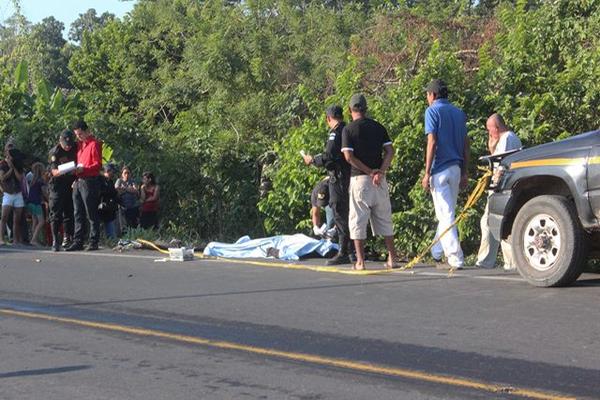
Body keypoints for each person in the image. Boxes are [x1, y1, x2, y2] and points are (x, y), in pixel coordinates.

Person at [341, 94, 399, 270]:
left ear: (350, 110)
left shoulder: (348, 130)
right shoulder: (378, 127)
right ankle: (392, 258)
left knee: (358, 220)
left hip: (360, 179)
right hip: (379, 180)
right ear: (366, 109)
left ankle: (360, 261)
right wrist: (380, 171)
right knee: (385, 218)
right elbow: (390, 151)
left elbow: (348, 156)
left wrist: (369, 171)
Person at [421, 79, 470, 269]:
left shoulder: (432, 111)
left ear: (433, 95)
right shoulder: (458, 113)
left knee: (446, 214)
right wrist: (465, 171)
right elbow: (466, 144)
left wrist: (426, 173)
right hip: (456, 169)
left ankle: (455, 257)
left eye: (427, 95)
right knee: (446, 212)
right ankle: (437, 251)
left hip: (439, 169)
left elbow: (432, 141)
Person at [304, 105, 353, 265]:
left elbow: (329, 155)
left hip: (339, 178)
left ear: (328, 119)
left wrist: (313, 160)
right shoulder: (349, 129)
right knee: (352, 213)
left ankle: (343, 251)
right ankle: (353, 251)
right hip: (353, 176)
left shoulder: (336, 132)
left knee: (339, 212)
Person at [476, 113, 522, 270]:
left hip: (501, 187)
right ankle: (509, 262)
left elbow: (501, 162)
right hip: (508, 186)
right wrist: (491, 147)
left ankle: (487, 260)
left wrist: (494, 183)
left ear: (496, 128)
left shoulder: (507, 138)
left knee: (491, 222)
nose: (489, 134)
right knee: (500, 223)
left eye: (490, 130)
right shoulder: (510, 138)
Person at [66, 120, 103, 251]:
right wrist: (76, 175)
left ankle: (93, 241)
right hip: (79, 181)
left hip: (89, 181)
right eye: (77, 134)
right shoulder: (80, 146)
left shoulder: (94, 144)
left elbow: (98, 165)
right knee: (77, 212)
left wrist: (84, 170)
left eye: (80, 134)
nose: (78, 137)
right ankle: (78, 241)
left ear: (87, 131)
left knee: (91, 212)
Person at [48, 130, 77, 251]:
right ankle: (55, 240)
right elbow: (53, 171)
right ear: (60, 141)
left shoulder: (75, 148)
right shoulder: (55, 152)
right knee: (56, 214)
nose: (68, 146)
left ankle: (67, 237)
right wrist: (65, 170)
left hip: (70, 184)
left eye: (70, 144)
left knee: (69, 212)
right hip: (57, 186)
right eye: (66, 144)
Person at [0, 144, 25, 245]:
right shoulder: (2, 164)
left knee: (17, 219)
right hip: (8, 194)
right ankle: (1, 239)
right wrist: (10, 168)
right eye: (8, 151)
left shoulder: (18, 164)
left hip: (18, 193)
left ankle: (15, 240)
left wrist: (13, 167)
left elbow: (20, 178)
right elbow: (2, 178)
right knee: (4, 217)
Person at [26, 162, 48, 246]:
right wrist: (49, 199)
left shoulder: (32, 181)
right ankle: (34, 239)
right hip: (36, 203)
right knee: (41, 221)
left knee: (35, 221)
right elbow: (44, 192)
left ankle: (33, 238)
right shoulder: (40, 181)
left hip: (30, 202)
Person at [99, 163, 119, 239]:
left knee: (110, 228)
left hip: (109, 209)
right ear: (107, 171)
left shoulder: (110, 181)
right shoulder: (100, 180)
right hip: (100, 208)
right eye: (112, 171)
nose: (113, 173)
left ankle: (111, 240)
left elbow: (113, 193)